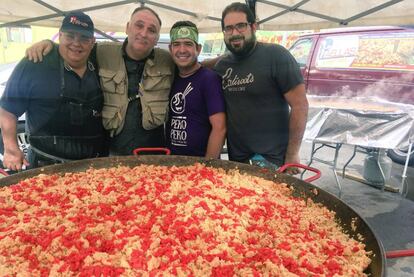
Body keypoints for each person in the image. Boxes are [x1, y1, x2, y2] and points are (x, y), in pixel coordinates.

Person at [26, 7, 175, 156]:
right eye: (139, 25)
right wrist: (50, 45)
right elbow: (75, 49)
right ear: (127, 27)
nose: (144, 33)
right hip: (110, 155)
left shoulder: (168, 60)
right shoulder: (101, 52)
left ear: (156, 37)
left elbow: (189, 65)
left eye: (152, 30)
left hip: (154, 156)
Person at [0, 12, 108, 171]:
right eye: (70, 36)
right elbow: (7, 111)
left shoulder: (101, 62)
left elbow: (132, 46)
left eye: (84, 39)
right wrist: (10, 149)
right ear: (60, 35)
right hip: (46, 166)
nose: (76, 43)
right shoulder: (35, 63)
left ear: (92, 42)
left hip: (92, 167)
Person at [214, 2, 309, 172]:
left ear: (253, 26)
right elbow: (201, 67)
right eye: (228, 28)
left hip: (272, 159)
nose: (235, 33)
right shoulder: (222, 65)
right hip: (237, 159)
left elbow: (300, 105)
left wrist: (293, 154)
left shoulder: (276, 56)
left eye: (241, 26)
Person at [167, 21, 226, 158]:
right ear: (170, 49)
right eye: (177, 44)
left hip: (200, 165)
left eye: (188, 44)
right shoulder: (170, 78)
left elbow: (220, 128)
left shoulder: (209, 79)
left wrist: (207, 167)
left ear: (198, 49)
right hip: (172, 164)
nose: (182, 50)